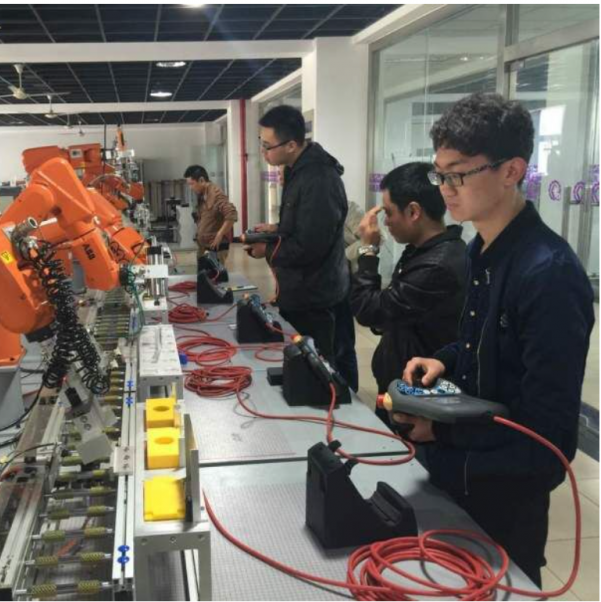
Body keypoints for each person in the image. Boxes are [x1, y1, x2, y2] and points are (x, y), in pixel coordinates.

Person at [396, 93, 594, 587]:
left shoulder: (548, 274)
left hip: (504, 507)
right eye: (440, 175)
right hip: (456, 486)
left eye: (459, 175)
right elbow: (482, 346)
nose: (446, 190)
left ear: (511, 171)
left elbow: (547, 447)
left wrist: (440, 438)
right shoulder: (481, 250)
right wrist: (445, 360)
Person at [247, 105, 356, 390]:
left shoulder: (318, 179)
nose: (263, 152)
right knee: (304, 365)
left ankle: (333, 406)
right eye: (261, 143)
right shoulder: (298, 171)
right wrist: (277, 229)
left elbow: (310, 246)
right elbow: (306, 225)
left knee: (321, 370)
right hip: (302, 291)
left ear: (291, 145)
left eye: (267, 146)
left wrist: (266, 251)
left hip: (317, 295)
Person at [349, 162, 466, 425]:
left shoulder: (436, 265)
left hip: (419, 395)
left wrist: (368, 251)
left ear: (413, 211)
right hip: (402, 383)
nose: (385, 222)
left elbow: (369, 310)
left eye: (389, 213)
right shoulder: (423, 251)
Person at [184, 165, 238, 266]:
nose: (191, 188)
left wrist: (220, 234)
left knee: (213, 275)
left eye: (192, 184)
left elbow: (231, 213)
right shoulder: (202, 194)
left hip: (215, 248)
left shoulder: (216, 194)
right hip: (204, 246)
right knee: (203, 274)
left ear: (201, 180)